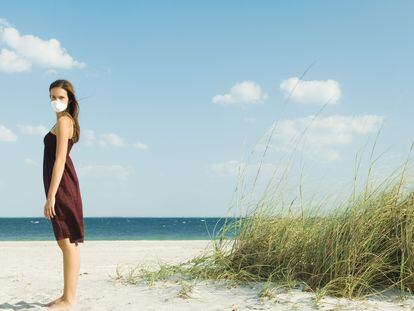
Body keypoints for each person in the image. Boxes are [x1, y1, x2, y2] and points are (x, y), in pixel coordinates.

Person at [42, 79, 84, 310]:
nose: (56, 101)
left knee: (66, 242)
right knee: (67, 242)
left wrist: (51, 196)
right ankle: (67, 295)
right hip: (62, 185)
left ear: (69, 100)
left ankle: (69, 299)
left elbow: (59, 160)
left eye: (60, 97)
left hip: (62, 187)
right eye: (52, 97)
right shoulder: (62, 121)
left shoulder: (66, 121)